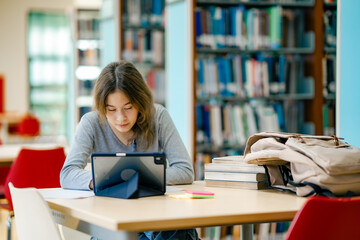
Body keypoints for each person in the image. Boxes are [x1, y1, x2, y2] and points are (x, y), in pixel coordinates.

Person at [60, 61, 199, 240]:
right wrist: (101, 180)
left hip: (155, 221)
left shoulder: (158, 116)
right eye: (111, 110)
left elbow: (185, 170)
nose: (121, 118)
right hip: (111, 223)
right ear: (103, 108)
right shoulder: (91, 123)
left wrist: (136, 180)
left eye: (128, 108)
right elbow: (67, 174)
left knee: (178, 231)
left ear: (140, 102)